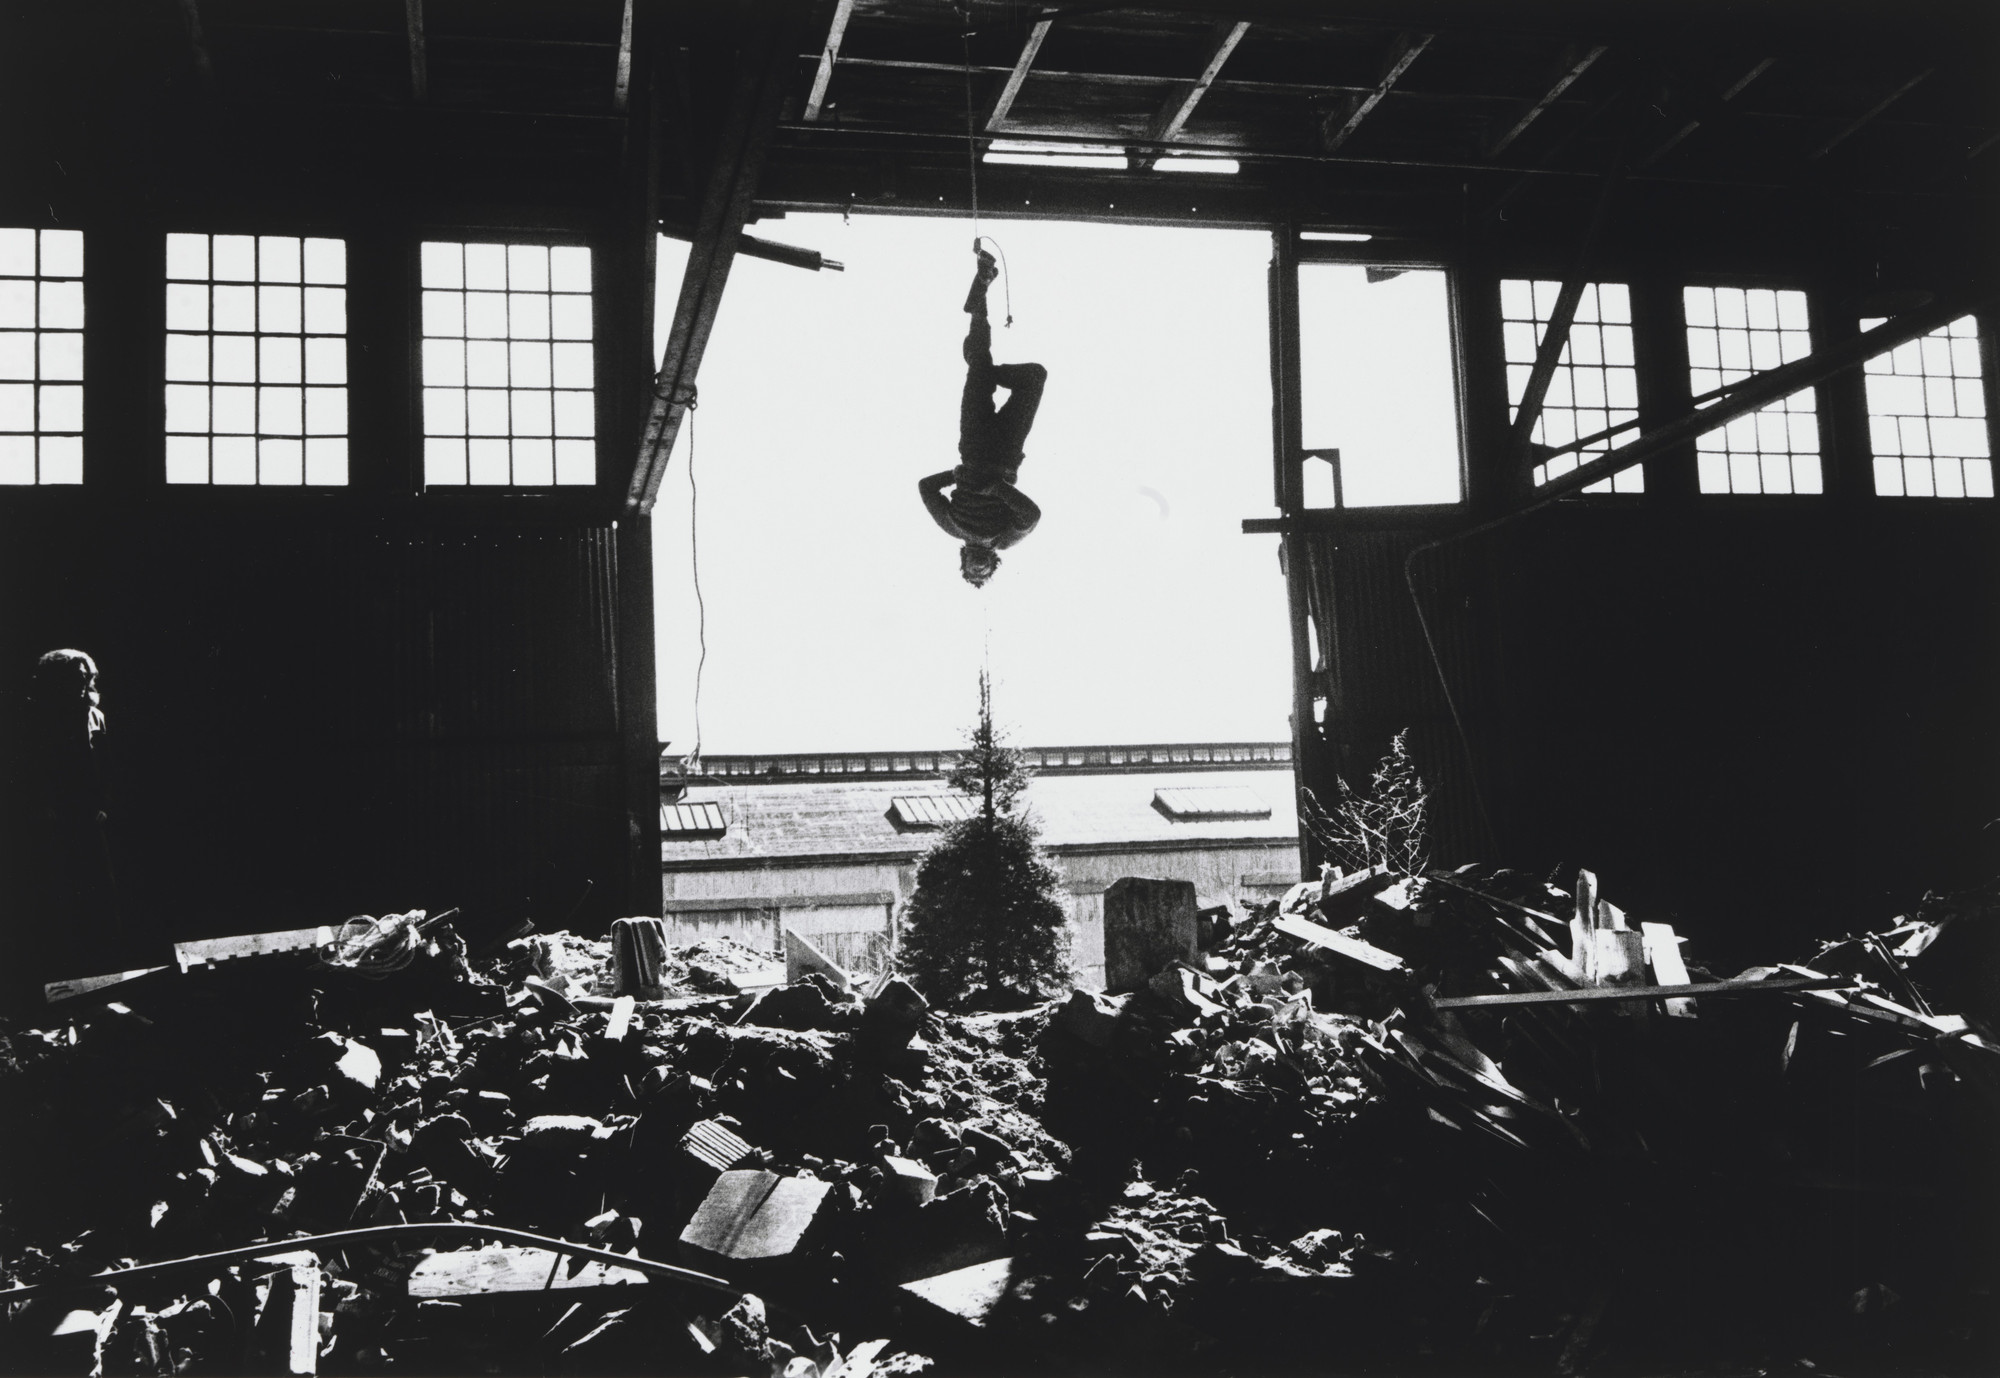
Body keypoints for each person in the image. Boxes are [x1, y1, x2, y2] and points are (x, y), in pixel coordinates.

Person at [919, 245, 1047, 586]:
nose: (977, 567)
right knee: (1034, 376)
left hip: (974, 447)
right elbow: (1031, 515)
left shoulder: (950, 526)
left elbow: (926, 487)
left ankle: (980, 294)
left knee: (979, 364)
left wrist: (956, 475)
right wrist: (995, 489)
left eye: (970, 570)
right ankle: (983, 365)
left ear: (963, 560)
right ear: (993, 562)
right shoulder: (1005, 539)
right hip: (1006, 453)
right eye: (984, 570)